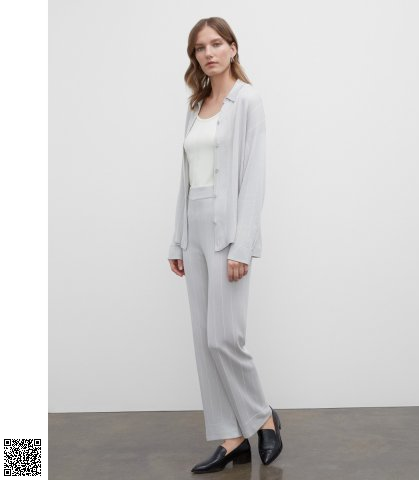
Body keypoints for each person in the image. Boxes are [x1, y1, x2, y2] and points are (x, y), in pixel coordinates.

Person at [167, 17, 283, 473]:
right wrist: (177, 239)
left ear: (233, 48)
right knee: (203, 339)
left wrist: (242, 246)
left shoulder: (247, 101)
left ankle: (264, 417)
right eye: (200, 48)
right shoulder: (196, 105)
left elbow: (254, 177)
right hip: (193, 229)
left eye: (216, 44)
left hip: (228, 228)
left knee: (224, 336)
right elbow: (186, 176)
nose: (208, 53)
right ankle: (231, 437)